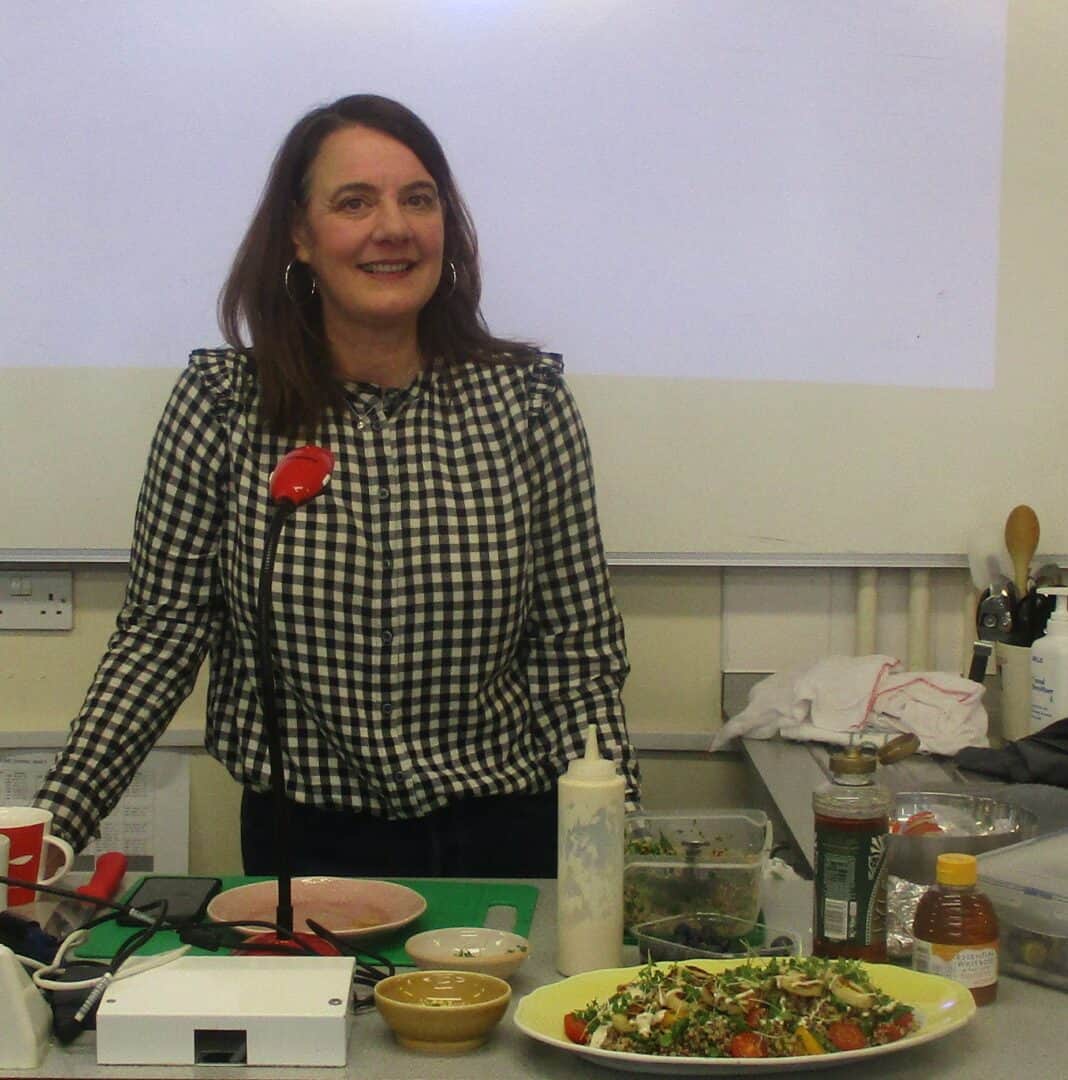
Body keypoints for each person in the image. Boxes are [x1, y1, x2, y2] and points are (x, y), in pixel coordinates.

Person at [34, 93, 639, 879]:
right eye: (354, 202)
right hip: (306, 851)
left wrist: (617, 837)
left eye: (416, 200)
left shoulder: (524, 401)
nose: (392, 227)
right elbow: (161, 634)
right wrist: (52, 827)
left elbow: (575, 651)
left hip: (504, 839)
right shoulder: (224, 403)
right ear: (299, 235)